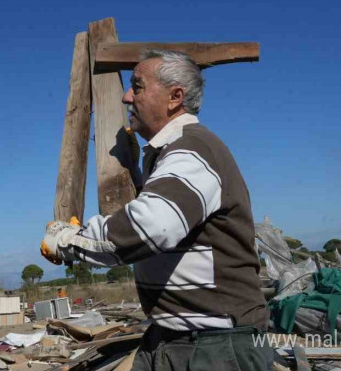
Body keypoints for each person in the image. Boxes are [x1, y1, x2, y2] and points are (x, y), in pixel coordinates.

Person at [41, 50, 272, 370]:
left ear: (175, 97)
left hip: (214, 347)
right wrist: (133, 170)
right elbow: (164, 212)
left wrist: (70, 240)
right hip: (178, 339)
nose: (125, 97)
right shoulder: (171, 156)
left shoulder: (192, 149)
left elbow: (151, 228)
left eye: (137, 86)